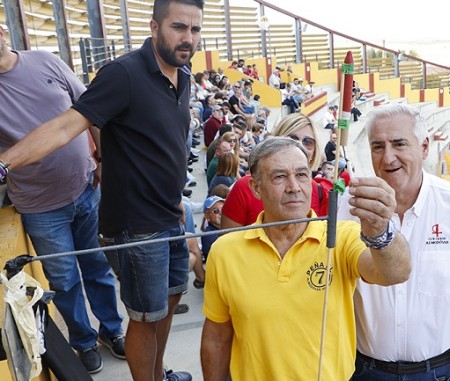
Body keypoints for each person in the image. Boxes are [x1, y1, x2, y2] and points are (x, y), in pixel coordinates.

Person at [0, 1, 205, 379]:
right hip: (137, 225)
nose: (187, 38)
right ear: (154, 26)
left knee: (170, 298)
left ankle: (158, 375)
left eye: (194, 29)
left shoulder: (183, 74)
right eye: (179, 27)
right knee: (144, 317)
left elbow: (163, 145)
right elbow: (65, 126)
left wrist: (175, 197)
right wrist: (4, 163)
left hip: (170, 212)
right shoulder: (123, 74)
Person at [199, 137, 412, 380]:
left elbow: (396, 273)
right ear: (256, 188)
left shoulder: (341, 238)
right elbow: (216, 336)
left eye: (301, 175)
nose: (294, 187)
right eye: (279, 177)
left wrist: (381, 231)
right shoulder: (225, 251)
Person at [0, 24, 126, 373]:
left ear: (1, 30)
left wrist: (102, 158)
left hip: (86, 187)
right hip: (41, 207)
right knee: (65, 279)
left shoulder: (44, 61)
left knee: (98, 267)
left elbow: (91, 110)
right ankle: (83, 341)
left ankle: (112, 331)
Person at [342, 105, 450, 381]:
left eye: (399, 144)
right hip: (363, 369)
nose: (388, 158)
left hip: (435, 371)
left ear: (424, 147)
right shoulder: (347, 208)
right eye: (377, 147)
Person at [220, 113, 327, 227]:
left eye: (308, 142)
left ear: (315, 151)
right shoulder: (244, 188)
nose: (299, 146)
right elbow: (228, 241)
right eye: (292, 139)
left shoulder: (321, 193)